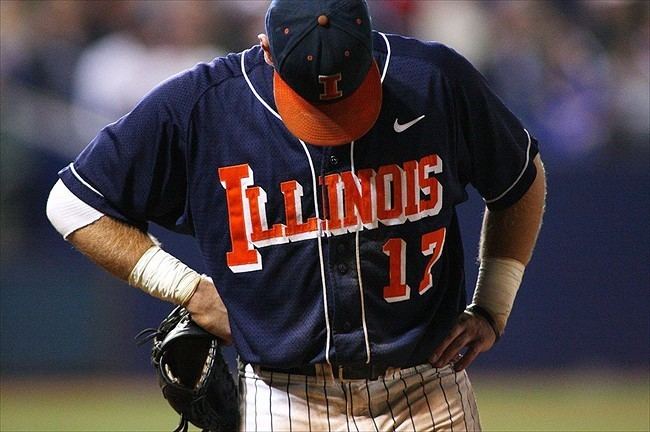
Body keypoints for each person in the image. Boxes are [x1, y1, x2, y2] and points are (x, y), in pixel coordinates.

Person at [46, 0, 546, 430]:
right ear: (265, 49)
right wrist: (186, 287)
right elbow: (71, 204)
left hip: (428, 393)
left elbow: (522, 178)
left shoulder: (434, 81)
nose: (330, 117)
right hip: (285, 400)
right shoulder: (203, 106)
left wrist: (492, 305)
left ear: (373, 44)